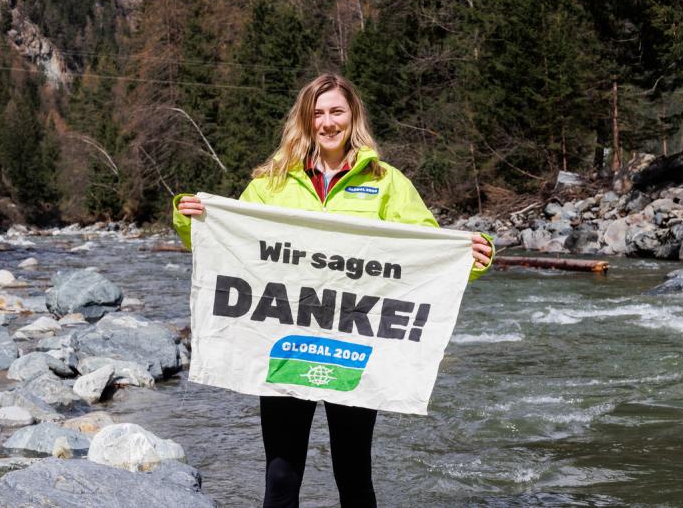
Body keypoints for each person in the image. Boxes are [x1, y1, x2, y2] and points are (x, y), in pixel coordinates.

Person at [172, 73, 493, 507]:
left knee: (353, 470)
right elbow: (231, 247)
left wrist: (470, 258)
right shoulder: (271, 182)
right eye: (317, 113)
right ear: (305, 121)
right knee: (282, 475)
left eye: (336, 111)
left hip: (355, 345)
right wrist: (191, 219)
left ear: (352, 116)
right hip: (284, 343)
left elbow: (426, 255)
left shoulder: (386, 182)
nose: (327, 122)